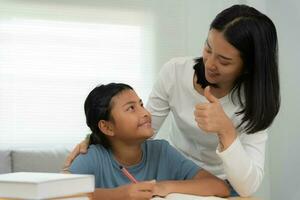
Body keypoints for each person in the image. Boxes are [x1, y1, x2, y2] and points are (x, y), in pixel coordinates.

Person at [64, 4, 280, 197]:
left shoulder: (256, 102)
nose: (210, 63)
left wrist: (226, 131)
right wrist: (97, 138)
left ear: (248, 67)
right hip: (177, 179)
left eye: (223, 61)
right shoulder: (175, 73)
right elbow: (141, 129)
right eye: (208, 48)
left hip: (223, 186)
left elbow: (246, 187)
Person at [66, 83, 230, 200]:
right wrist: (117, 195)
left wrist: (163, 187)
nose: (145, 112)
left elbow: (219, 187)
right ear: (107, 127)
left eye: (141, 104)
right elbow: (57, 194)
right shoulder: (92, 157)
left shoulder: (162, 151)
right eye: (131, 108)